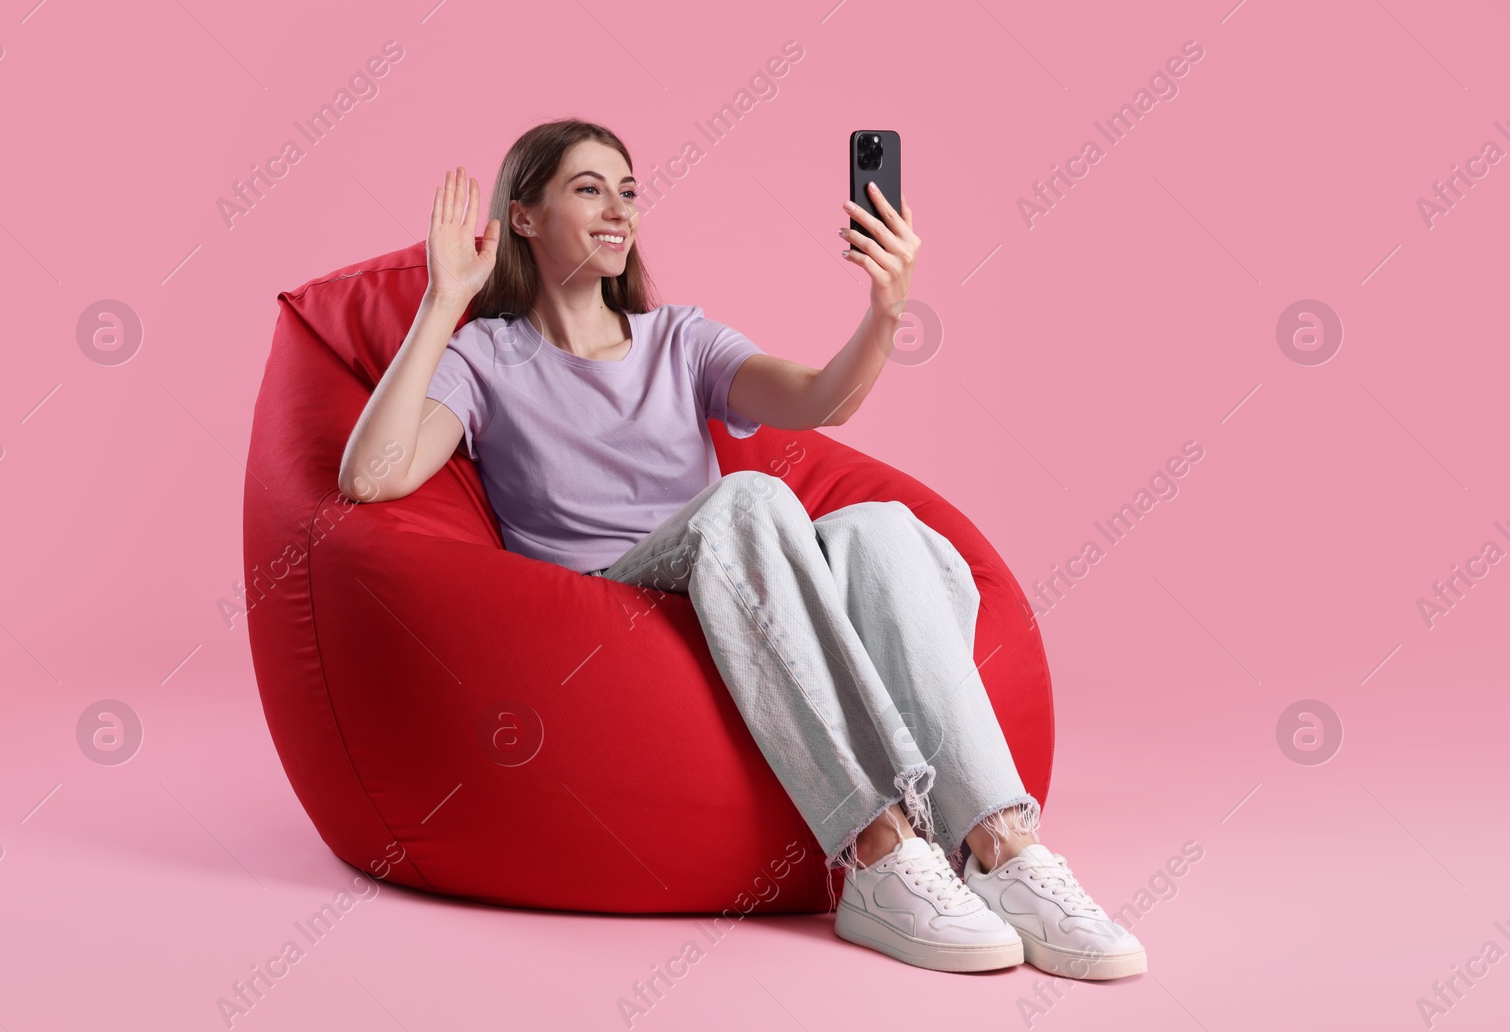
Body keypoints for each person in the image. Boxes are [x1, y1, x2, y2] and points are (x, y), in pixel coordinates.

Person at [338, 119, 1145, 979]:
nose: (619, 209)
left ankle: (1002, 847)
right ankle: (876, 850)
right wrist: (442, 300)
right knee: (749, 498)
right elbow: (371, 476)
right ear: (524, 217)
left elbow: (818, 400)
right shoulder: (488, 354)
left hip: (742, 582)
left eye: (630, 189)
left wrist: (886, 310)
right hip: (615, 598)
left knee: (881, 526)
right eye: (589, 188)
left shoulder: (678, 338)